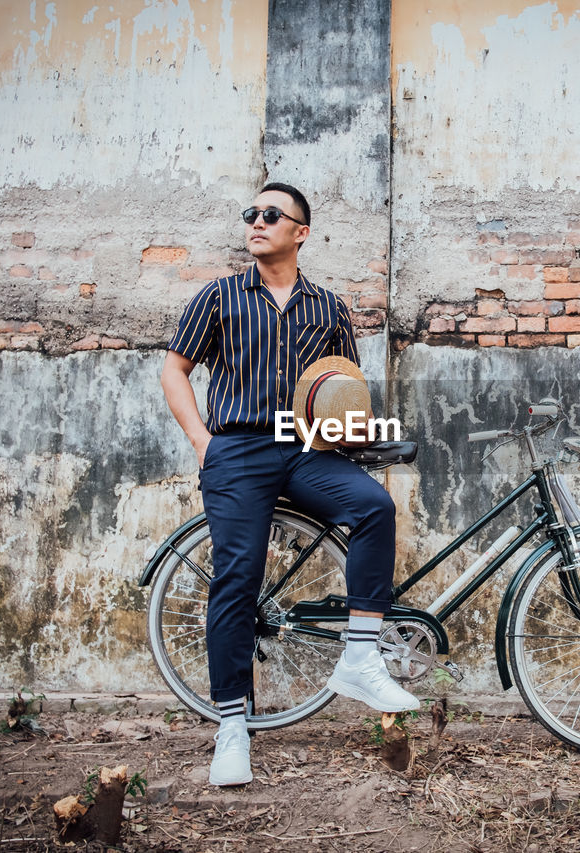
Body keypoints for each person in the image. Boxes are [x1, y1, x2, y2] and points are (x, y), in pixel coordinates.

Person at [160, 182, 419, 787]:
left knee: (375, 507)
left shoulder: (328, 308)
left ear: (300, 232)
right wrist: (203, 441)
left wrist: (356, 436)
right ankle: (231, 728)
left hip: (305, 448)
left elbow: (341, 384)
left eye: (271, 215)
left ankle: (359, 658)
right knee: (238, 574)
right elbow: (175, 369)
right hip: (239, 449)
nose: (256, 222)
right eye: (251, 213)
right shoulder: (219, 298)